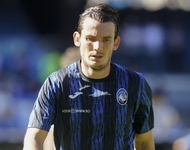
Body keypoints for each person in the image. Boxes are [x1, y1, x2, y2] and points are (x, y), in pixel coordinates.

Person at [23, 3, 154, 150]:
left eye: (106, 39)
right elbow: (34, 139)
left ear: (116, 43)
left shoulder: (136, 84)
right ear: (77, 39)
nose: (97, 47)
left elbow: (144, 143)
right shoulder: (57, 83)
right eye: (91, 38)